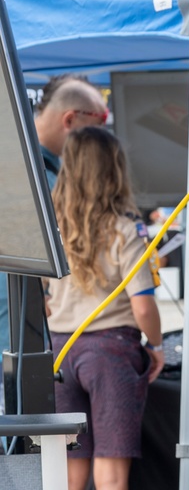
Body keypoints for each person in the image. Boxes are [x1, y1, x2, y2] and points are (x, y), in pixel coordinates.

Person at [47, 128, 170, 490]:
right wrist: (158, 346)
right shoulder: (126, 231)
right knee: (110, 477)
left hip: (59, 352)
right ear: (114, 170)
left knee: (68, 477)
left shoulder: (49, 229)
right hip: (111, 352)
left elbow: (40, 300)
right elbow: (143, 306)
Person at [0, 74, 108, 365]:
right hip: (16, 338)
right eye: (97, 130)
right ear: (70, 120)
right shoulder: (21, 171)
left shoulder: (47, 169)